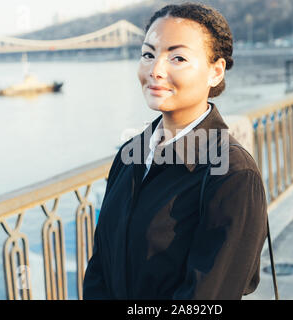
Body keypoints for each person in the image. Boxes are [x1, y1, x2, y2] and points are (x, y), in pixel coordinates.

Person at [82, 2, 268, 300]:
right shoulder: (130, 154)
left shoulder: (232, 175)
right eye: (148, 54)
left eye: (178, 58)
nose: (155, 70)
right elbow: (101, 264)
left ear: (215, 72)